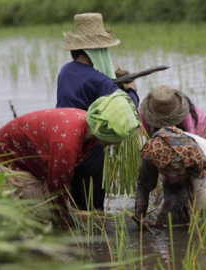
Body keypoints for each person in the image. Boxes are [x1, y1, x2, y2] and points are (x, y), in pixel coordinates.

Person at [0, 91, 139, 224]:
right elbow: (58, 194)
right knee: (42, 217)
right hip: (9, 153)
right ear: (104, 133)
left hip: (34, 156)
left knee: (54, 209)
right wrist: (68, 228)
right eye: (116, 139)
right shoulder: (67, 144)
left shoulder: (90, 125)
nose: (117, 143)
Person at [56, 13, 139, 210]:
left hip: (62, 140)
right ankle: (96, 238)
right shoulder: (99, 80)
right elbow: (129, 110)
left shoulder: (65, 71)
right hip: (89, 145)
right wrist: (132, 90)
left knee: (75, 200)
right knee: (93, 208)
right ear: (98, 50)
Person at [134, 126, 206, 227]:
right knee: (171, 219)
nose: (171, 175)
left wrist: (196, 229)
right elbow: (143, 186)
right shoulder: (152, 156)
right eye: (165, 170)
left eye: (176, 169)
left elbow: (200, 198)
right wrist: (140, 217)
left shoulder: (195, 161)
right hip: (179, 172)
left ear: (185, 165)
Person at [140, 85, 206, 139]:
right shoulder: (145, 116)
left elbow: (192, 140)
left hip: (199, 131)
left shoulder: (185, 116)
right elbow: (146, 137)